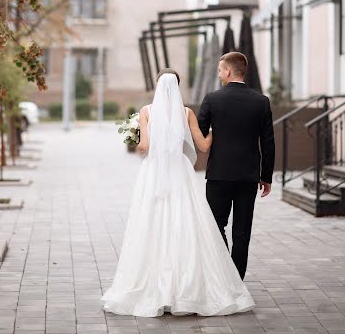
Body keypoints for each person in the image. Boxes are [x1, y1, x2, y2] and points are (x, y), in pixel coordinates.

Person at [102, 68, 254, 318]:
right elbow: (203, 146)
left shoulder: (146, 112)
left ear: (158, 85)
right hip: (180, 173)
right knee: (184, 223)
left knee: (151, 224)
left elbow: (145, 147)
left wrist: (136, 136)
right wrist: (218, 129)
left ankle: (154, 288)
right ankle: (187, 289)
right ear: (178, 87)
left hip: (153, 175)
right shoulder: (186, 113)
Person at [198, 52, 275, 280]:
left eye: (220, 70)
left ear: (229, 71)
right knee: (242, 231)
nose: (219, 74)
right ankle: (236, 279)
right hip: (248, 176)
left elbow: (200, 134)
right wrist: (266, 176)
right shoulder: (261, 101)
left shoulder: (212, 99)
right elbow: (268, 141)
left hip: (219, 174)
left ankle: (223, 274)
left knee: (216, 226)